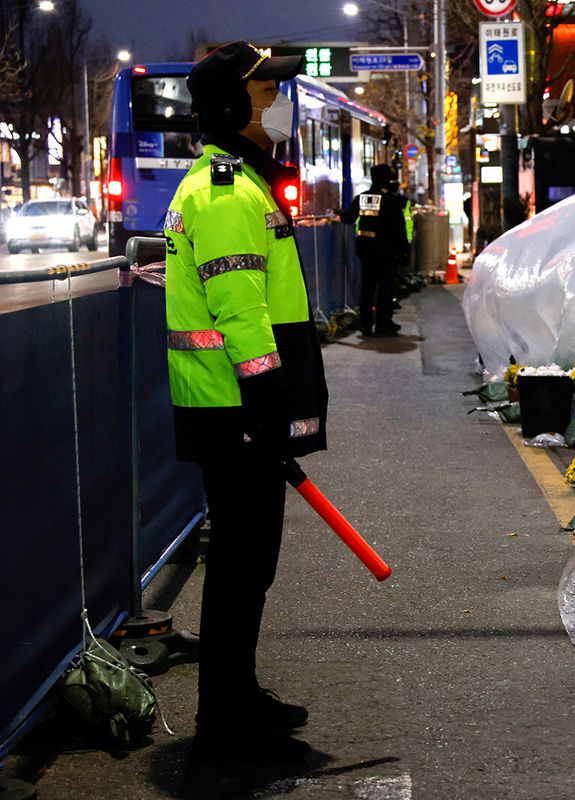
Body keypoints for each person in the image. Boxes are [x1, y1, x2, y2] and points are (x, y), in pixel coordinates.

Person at [163, 41, 328, 764]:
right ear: (234, 106)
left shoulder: (239, 183)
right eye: (268, 91)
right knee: (239, 561)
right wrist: (267, 404)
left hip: (237, 409)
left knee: (247, 561)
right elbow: (239, 316)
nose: (279, 101)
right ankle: (223, 715)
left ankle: (237, 692)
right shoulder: (225, 194)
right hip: (235, 410)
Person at [340, 163, 409, 336]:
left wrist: (338, 213)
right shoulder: (391, 201)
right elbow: (399, 228)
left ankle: (366, 325)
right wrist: (404, 250)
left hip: (365, 249)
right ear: (387, 178)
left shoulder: (362, 198)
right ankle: (383, 324)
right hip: (386, 251)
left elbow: (349, 218)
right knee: (385, 288)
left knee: (367, 287)